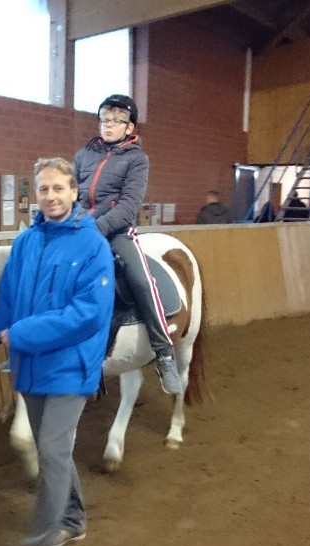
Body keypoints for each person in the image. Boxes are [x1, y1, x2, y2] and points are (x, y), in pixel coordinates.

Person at [0, 157, 115, 546]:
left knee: (51, 453)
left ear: (74, 192)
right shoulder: (25, 242)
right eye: (44, 189)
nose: (51, 196)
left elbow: (87, 315)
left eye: (59, 188)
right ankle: (74, 520)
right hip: (30, 368)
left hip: (69, 368)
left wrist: (21, 334)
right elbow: (7, 306)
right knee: (52, 453)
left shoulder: (93, 246)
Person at [73, 93, 183, 395]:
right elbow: (73, 196)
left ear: (129, 127)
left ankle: (164, 354)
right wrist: (75, 224)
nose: (108, 125)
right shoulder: (84, 155)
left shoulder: (137, 160)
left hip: (117, 232)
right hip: (81, 229)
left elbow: (128, 206)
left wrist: (96, 228)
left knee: (141, 280)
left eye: (116, 121)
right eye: (104, 120)